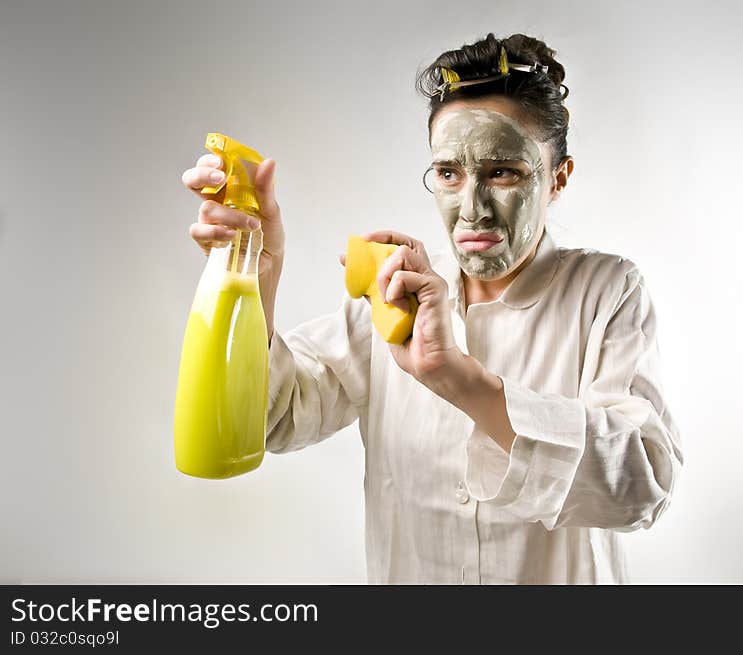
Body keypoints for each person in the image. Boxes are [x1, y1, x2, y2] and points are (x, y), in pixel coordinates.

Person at [180, 33, 684, 584]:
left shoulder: (608, 291)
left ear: (558, 178)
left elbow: (641, 486)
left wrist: (458, 379)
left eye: (503, 172)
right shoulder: (393, 290)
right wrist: (259, 275)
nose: (472, 210)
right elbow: (269, 421)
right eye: (449, 173)